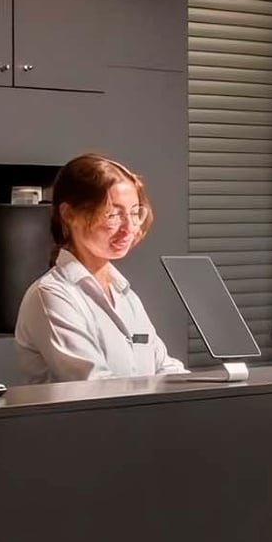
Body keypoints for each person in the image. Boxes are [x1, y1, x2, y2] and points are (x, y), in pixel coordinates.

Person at [15, 154, 188, 383]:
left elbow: (163, 365)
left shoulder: (125, 294)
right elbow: (93, 384)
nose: (129, 228)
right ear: (69, 214)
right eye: (113, 214)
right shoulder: (51, 295)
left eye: (135, 213)